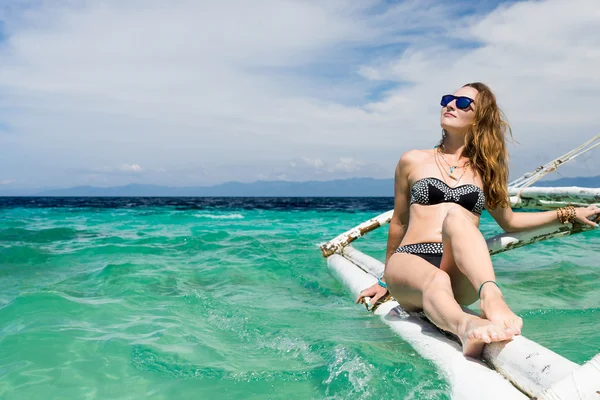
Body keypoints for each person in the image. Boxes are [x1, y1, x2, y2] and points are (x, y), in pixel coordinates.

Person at [356, 82, 600, 358]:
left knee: (459, 216)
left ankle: (491, 297)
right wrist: (385, 280)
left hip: (458, 267)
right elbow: (399, 222)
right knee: (435, 279)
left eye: (463, 104)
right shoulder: (412, 160)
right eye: (448, 99)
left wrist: (567, 213)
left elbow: (510, 222)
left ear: (479, 119)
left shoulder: (485, 172)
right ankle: (465, 326)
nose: (450, 105)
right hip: (410, 261)